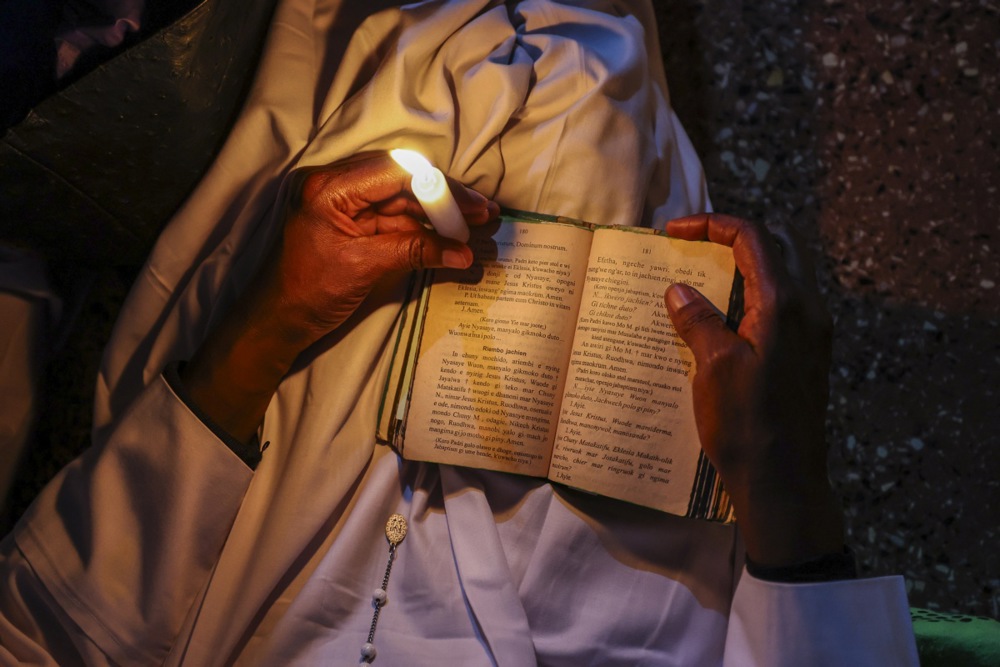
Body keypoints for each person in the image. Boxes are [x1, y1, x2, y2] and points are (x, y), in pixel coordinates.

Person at [0, 0, 919, 664]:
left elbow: (47, 630)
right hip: (634, 468)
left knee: (392, 60)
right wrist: (783, 474)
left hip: (311, 407)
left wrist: (271, 320)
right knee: (596, 77)